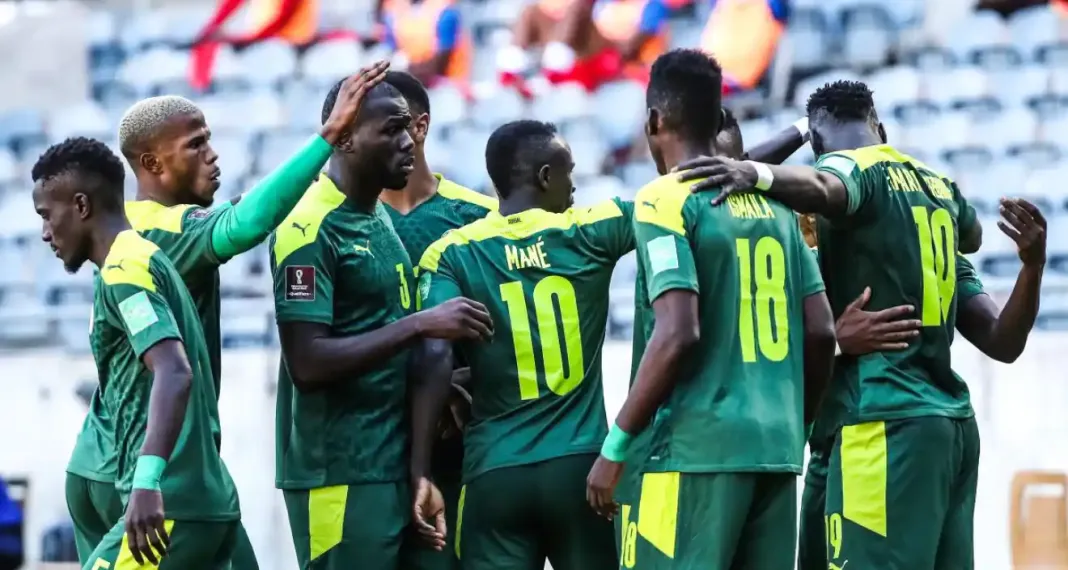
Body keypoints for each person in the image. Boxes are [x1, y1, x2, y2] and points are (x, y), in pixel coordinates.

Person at [677, 80, 1019, 570]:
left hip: (877, 420)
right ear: (879, 124)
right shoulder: (935, 194)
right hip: (900, 426)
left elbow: (816, 183)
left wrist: (756, 169)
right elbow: (974, 236)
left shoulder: (847, 177)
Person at [62, 62, 393, 570]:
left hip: (129, 463)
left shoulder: (146, 225)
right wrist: (329, 136)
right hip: (142, 472)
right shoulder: (165, 232)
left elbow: (243, 209)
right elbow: (250, 221)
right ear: (152, 162)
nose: (213, 156)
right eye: (195, 145)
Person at [585, 49, 837, 569]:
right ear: (718, 118)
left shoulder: (664, 198)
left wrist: (615, 447)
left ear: (654, 120)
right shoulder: (778, 208)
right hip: (775, 450)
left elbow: (679, 332)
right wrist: (798, 426)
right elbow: (821, 332)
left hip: (690, 452)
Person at [269, 78, 494, 570]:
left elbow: (383, 339)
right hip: (339, 472)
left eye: (410, 129)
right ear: (345, 137)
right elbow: (308, 362)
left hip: (398, 464)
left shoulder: (378, 221)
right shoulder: (307, 228)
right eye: (392, 130)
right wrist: (420, 326)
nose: (409, 140)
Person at [411, 119, 629, 570]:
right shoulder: (588, 231)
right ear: (547, 176)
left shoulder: (452, 251)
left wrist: (421, 469)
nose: (573, 186)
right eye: (568, 172)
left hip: (496, 470)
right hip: (581, 467)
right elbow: (680, 194)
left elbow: (433, 352)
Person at [33, 137, 241, 568]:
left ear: (82, 206)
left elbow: (174, 371)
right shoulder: (140, 257)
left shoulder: (127, 268)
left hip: (170, 504)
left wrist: (146, 483)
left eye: (47, 216)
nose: (44, 233)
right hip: (199, 500)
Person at [375, 70, 497, 570]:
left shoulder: (481, 218)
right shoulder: (341, 222)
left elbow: (507, 335)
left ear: (418, 127)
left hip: (460, 446)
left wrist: (458, 384)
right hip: (373, 445)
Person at [379, 0, 472, 86]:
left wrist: (404, 70)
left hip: (446, 89)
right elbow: (391, 52)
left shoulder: (445, 12)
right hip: (411, 86)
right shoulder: (395, 9)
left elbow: (438, 66)